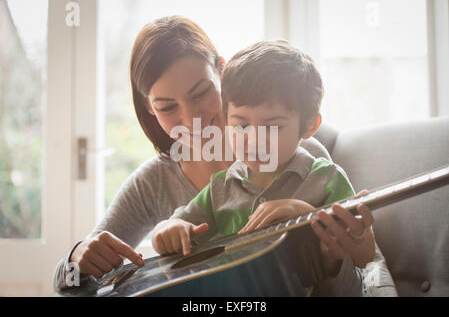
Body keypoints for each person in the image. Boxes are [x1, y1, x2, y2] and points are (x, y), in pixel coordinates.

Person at [53, 16, 393, 296]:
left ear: (222, 72)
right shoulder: (153, 182)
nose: (192, 120)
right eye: (167, 107)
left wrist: (310, 226)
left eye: (201, 93)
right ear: (149, 110)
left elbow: (369, 271)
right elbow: (67, 285)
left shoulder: (300, 155)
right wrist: (73, 259)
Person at [150, 40, 374, 296]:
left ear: (309, 125)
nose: (254, 139)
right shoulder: (220, 187)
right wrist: (165, 230)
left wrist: (306, 214)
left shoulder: (328, 179)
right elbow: (176, 223)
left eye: (272, 126)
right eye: (241, 126)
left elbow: (365, 258)